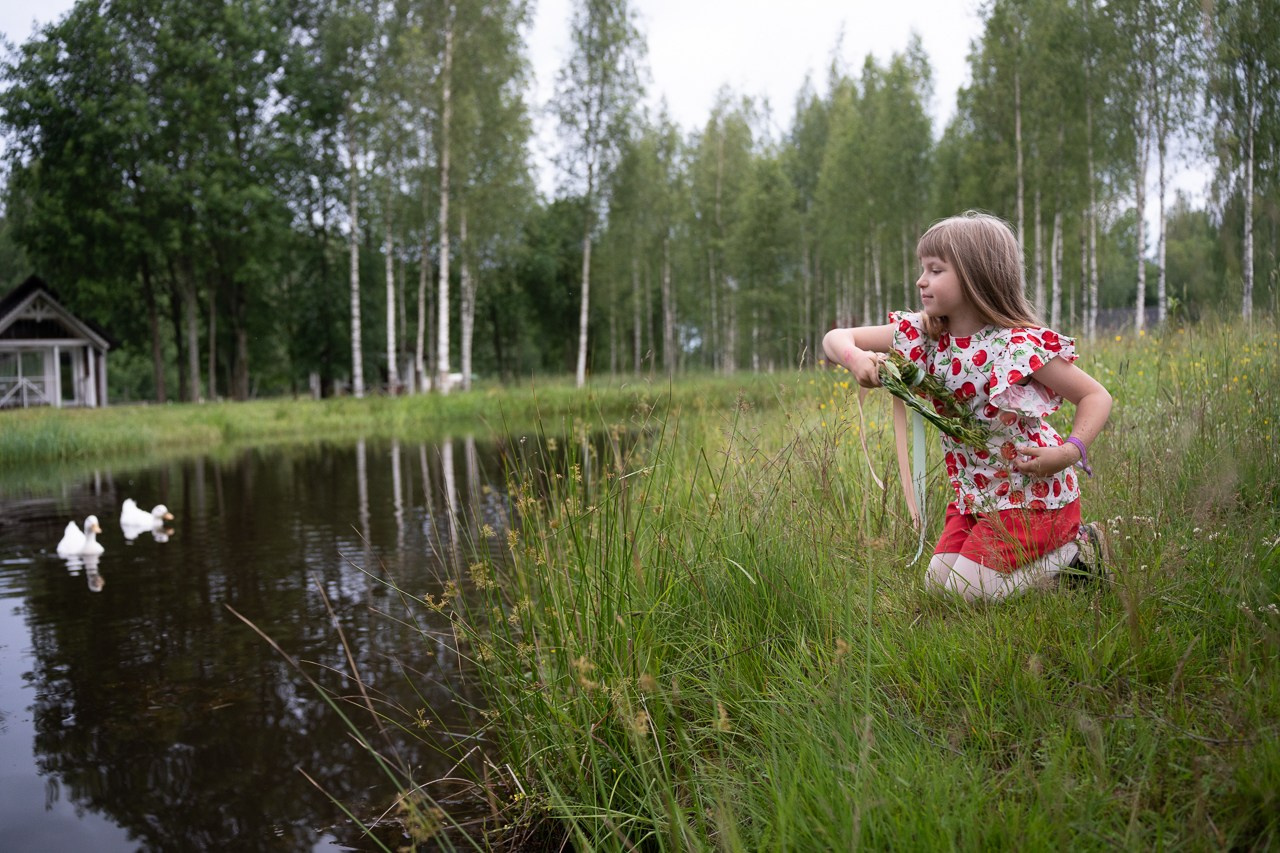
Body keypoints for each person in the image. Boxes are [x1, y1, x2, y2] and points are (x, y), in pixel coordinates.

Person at [822, 211, 1113, 602]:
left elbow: (1096, 396)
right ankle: (1053, 567)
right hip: (977, 497)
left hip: (1031, 497)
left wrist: (1068, 453)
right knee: (937, 588)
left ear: (977, 275)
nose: (921, 280)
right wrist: (856, 359)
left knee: (967, 593)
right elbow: (835, 338)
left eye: (935, 270)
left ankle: (1078, 554)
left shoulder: (1014, 345)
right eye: (922, 269)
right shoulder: (926, 334)